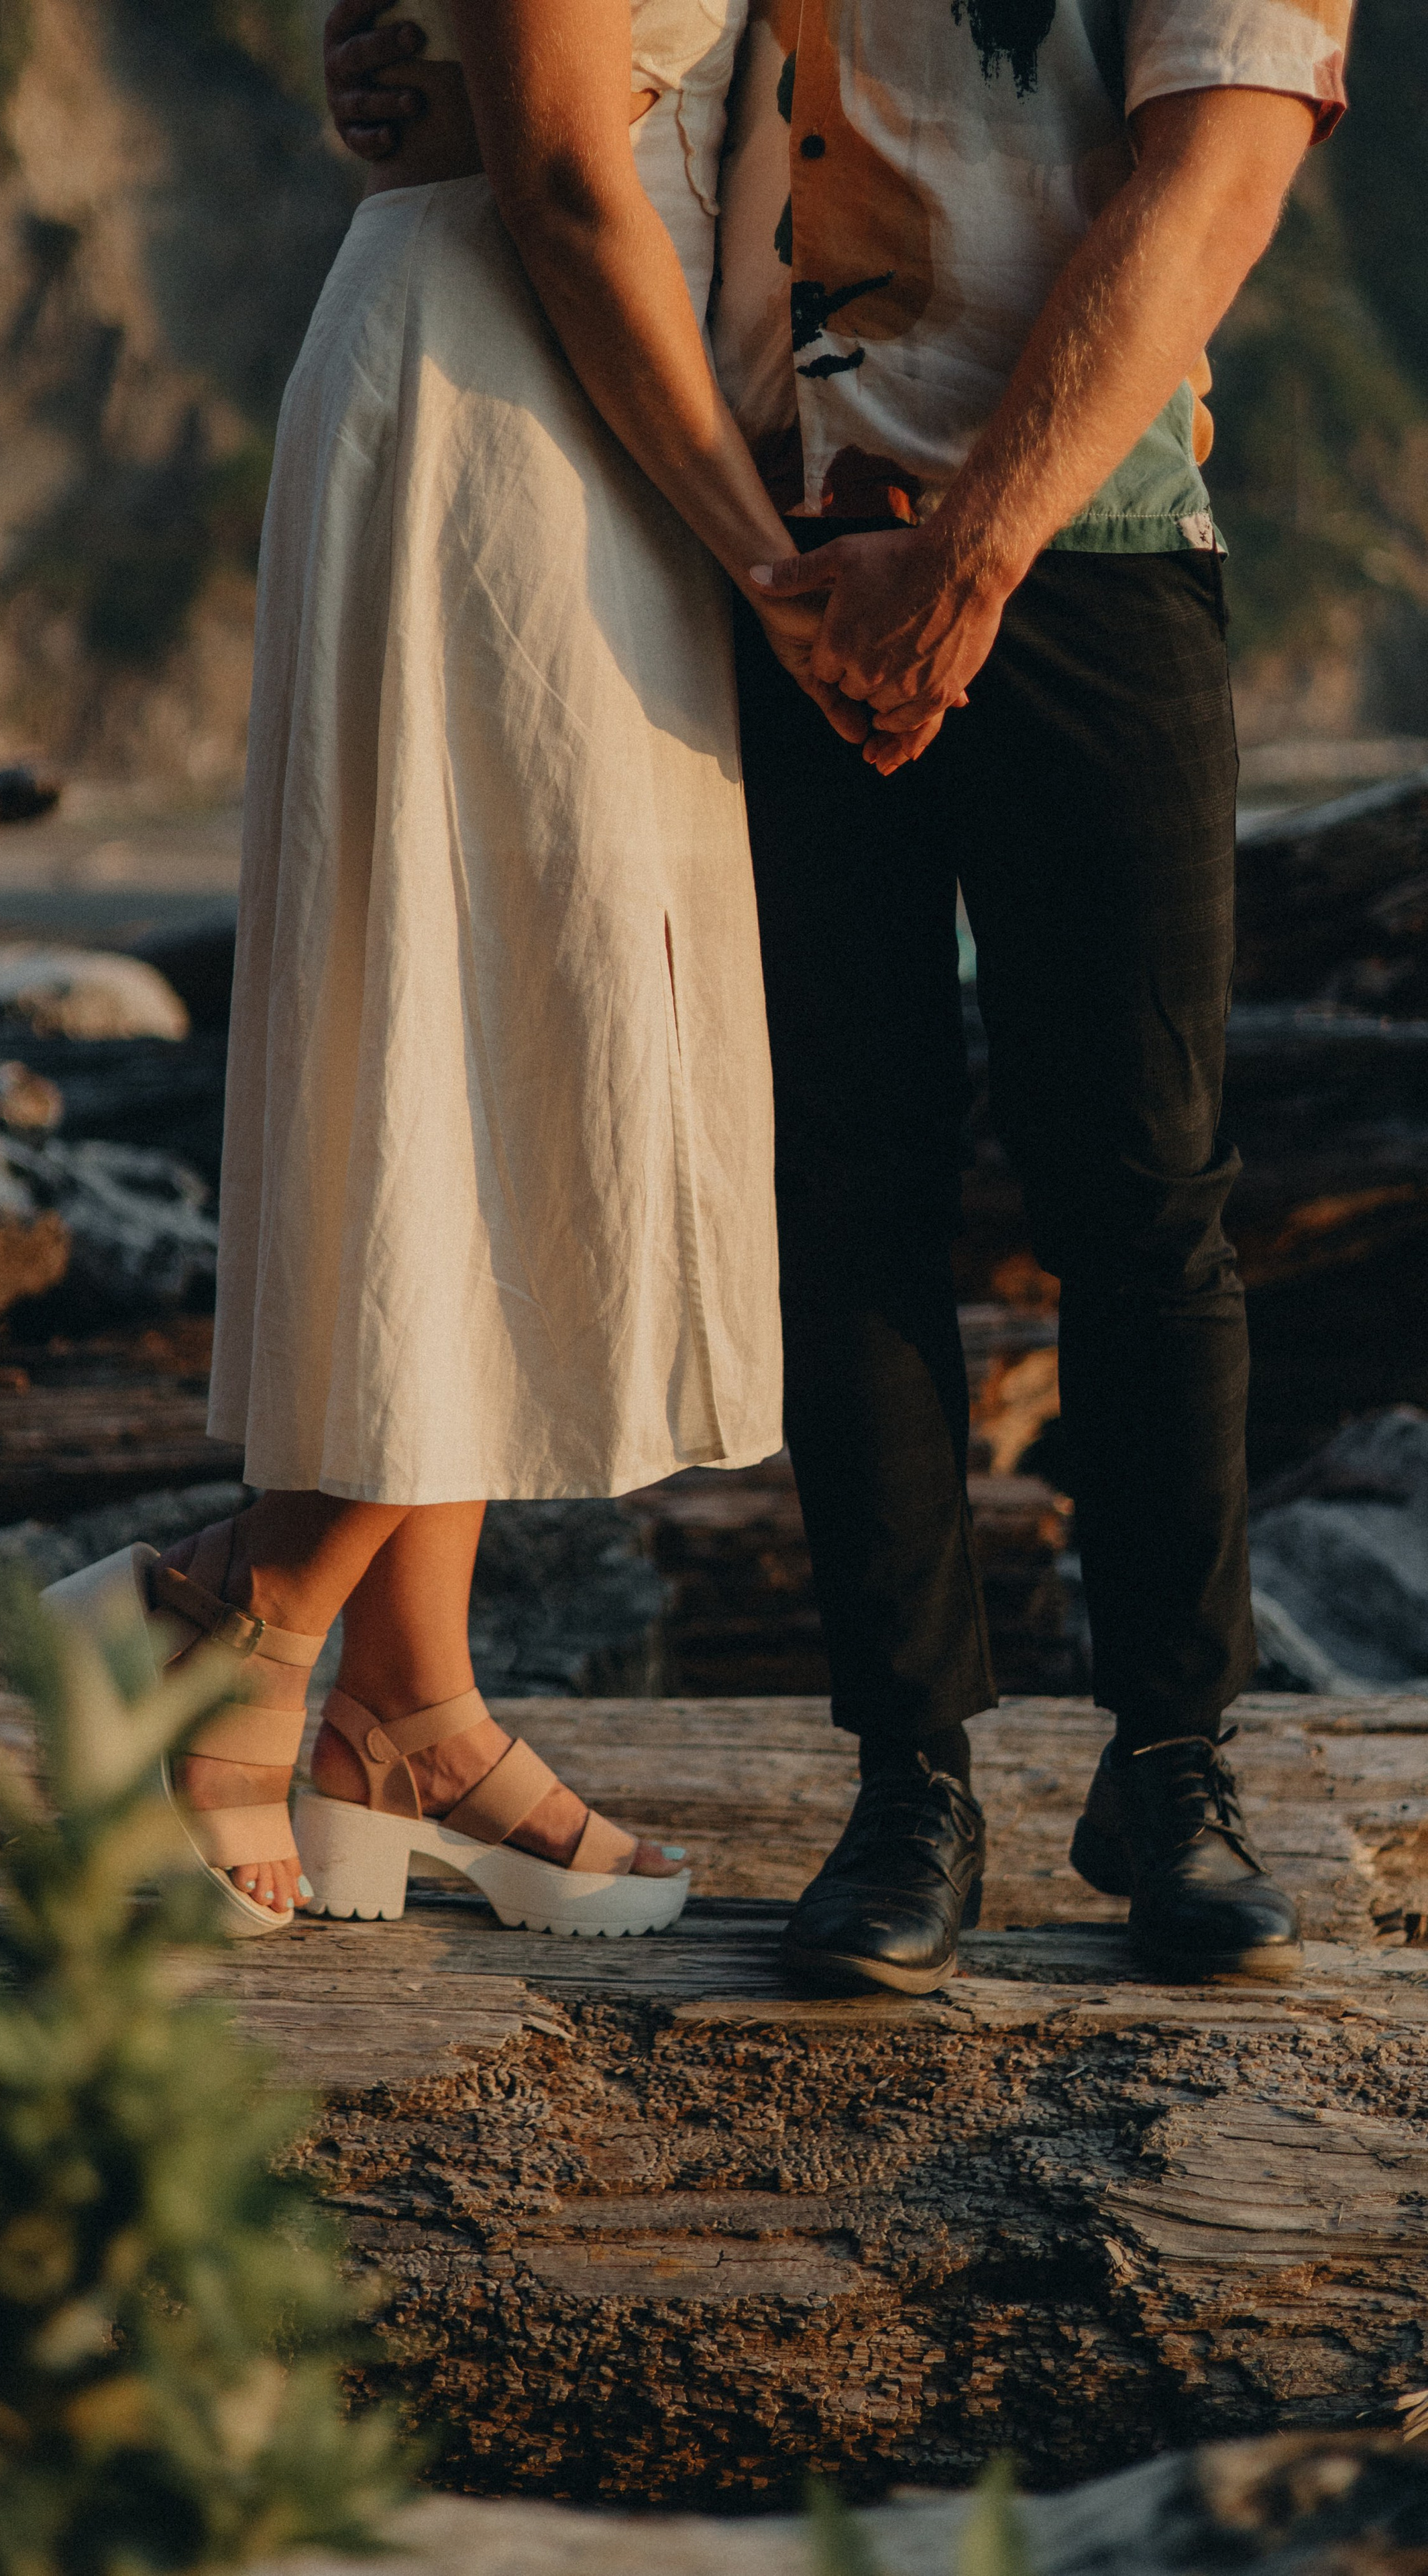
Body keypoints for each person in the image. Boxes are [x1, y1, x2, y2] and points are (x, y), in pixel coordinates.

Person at [327, 0, 1356, 1990]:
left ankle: (1174, 1764)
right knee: (846, 1192)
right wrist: (403, 69)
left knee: (1144, 1192)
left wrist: (970, 553)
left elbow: (1221, 172)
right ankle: (914, 1783)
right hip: (773, 556)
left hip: (1096, 552)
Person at [46, 0, 863, 1941]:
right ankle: (231, 1616)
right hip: (521, 391)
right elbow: (572, 174)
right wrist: (771, 566)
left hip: (585, 387)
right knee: (510, 1033)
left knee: (485, 1026)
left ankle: (404, 1701)